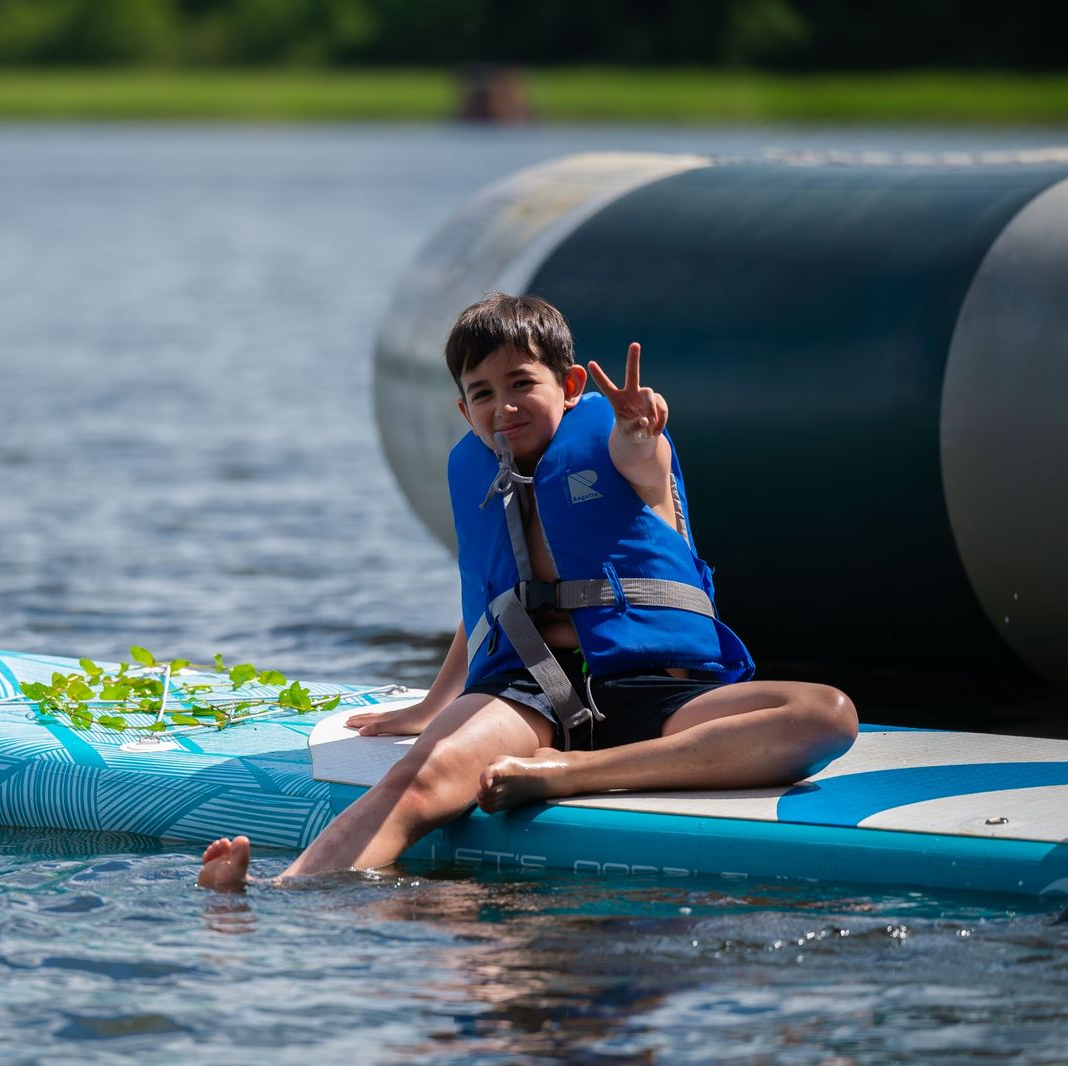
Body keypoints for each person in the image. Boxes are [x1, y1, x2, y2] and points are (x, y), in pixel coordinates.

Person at [198, 293, 857, 889]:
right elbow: (494, 609)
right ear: (463, 409)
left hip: (658, 689)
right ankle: (278, 892)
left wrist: (636, 430)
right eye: (481, 393)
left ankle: (576, 772)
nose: (503, 407)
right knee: (422, 775)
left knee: (827, 715)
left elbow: (643, 456)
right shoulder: (484, 476)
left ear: (570, 386)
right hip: (532, 694)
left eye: (521, 384)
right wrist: (434, 702)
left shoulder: (621, 447)